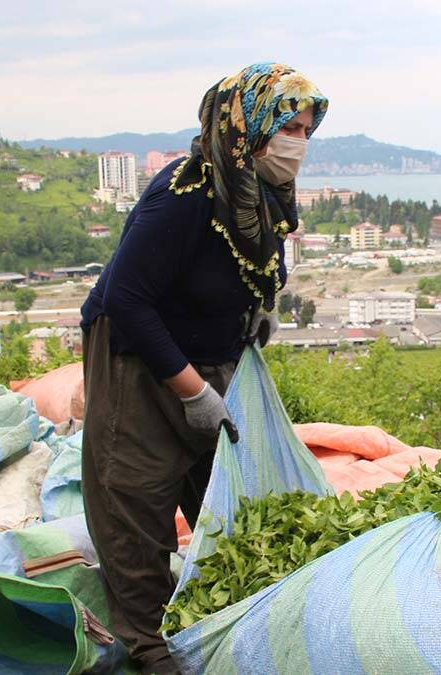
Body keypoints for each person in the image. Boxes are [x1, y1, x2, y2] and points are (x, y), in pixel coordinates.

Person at [78, 63, 327, 672]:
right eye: (287, 129)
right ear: (247, 126)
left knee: (223, 494)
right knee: (136, 496)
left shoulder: (262, 190)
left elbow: (252, 263)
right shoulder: (182, 196)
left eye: (305, 130)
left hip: (216, 353)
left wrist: (259, 308)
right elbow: (127, 300)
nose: (297, 143)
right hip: (139, 357)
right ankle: (149, 646)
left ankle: (218, 624)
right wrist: (191, 391)